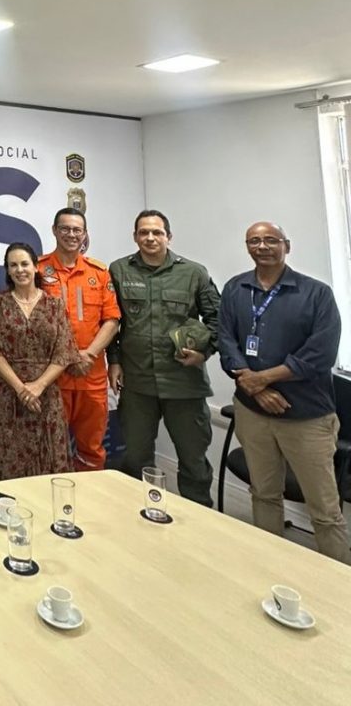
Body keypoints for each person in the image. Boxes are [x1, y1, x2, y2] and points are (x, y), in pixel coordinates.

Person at [218, 221, 351, 563]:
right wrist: (255, 389)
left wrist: (261, 379)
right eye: (254, 240)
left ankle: (339, 582)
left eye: (270, 240)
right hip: (252, 413)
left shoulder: (316, 294)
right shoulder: (235, 288)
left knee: (325, 510)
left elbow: (320, 354)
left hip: (306, 418)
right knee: (264, 494)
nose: (262, 246)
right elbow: (226, 341)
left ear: (286, 246)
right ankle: (270, 566)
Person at [108, 210, 220, 506]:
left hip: (183, 383)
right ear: (135, 237)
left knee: (193, 460)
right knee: (135, 459)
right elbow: (111, 321)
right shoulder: (119, 270)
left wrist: (204, 353)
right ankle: (140, 513)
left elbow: (217, 319)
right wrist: (114, 360)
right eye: (143, 232)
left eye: (157, 232)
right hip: (138, 383)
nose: (150, 238)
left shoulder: (194, 273)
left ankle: (198, 519)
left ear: (168, 236)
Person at [0, 243, 80, 480]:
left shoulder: (54, 305)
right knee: (9, 458)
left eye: (24, 264)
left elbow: (64, 351)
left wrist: (38, 386)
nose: (20, 270)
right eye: (13, 265)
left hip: (46, 394)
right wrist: (21, 389)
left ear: (36, 267)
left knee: (50, 457)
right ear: (7, 270)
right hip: (8, 395)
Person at [38, 208, 120, 470]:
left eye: (77, 230)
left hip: (90, 375)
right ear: (54, 231)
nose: (71, 234)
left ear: (85, 234)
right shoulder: (38, 270)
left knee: (92, 450)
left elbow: (112, 320)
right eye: (65, 229)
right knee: (50, 447)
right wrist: (65, 358)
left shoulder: (100, 272)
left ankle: (89, 494)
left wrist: (89, 354)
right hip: (53, 377)